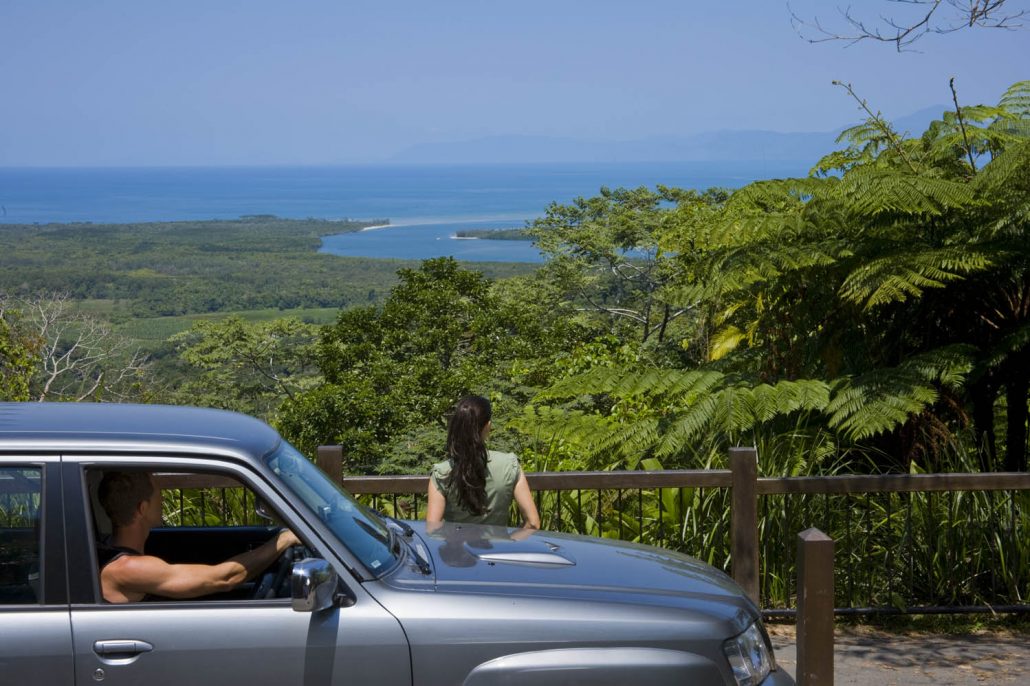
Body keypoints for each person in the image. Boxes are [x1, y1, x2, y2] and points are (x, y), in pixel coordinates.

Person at [96, 471, 299, 604]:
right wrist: (281, 541)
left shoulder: (109, 548)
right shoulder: (129, 568)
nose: (163, 499)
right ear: (143, 508)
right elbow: (224, 578)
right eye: (159, 495)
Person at [426, 395, 540, 529]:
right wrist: (510, 541)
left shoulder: (442, 472)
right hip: (499, 549)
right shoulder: (510, 464)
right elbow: (533, 523)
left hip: (457, 549)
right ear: (488, 426)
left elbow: (432, 530)